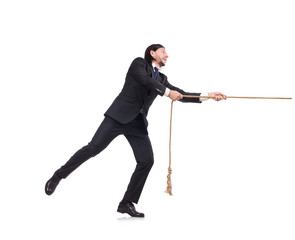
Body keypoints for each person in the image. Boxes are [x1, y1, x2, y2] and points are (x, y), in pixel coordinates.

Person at [45, 44, 227, 217]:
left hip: (137, 123)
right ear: (152, 53)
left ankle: (126, 203)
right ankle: (58, 175)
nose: (167, 55)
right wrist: (166, 92)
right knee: (93, 148)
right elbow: (144, 80)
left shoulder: (162, 79)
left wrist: (208, 96)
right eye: (163, 51)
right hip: (118, 117)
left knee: (147, 160)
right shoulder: (139, 63)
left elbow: (181, 94)